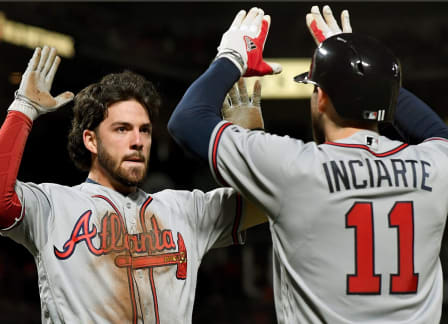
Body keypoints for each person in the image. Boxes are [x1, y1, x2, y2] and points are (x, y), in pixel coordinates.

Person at [168, 6, 448, 323]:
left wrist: (231, 57)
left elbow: (187, 120)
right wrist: (369, 80)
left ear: (323, 98)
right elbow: (437, 131)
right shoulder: (436, 166)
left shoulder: (293, 167)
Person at [0, 45, 268, 323]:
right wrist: (23, 110)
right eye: (122, 129)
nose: (137, 142)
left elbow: (271, 202)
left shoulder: (184, 210)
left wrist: (243, 146)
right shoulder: (53, 206)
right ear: (91, 140)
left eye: (145, 130)